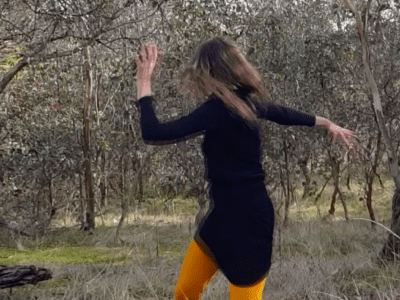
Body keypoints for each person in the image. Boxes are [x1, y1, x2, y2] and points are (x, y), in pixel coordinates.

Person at [133, 36, 356, 300]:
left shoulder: (223, 109)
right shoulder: (241, 104)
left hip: (250, 224)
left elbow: (154, 132)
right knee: (185, 291)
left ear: (210, 73)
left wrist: (144, 83)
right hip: (222, 218)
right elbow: (281, 113)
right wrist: (326, 123)